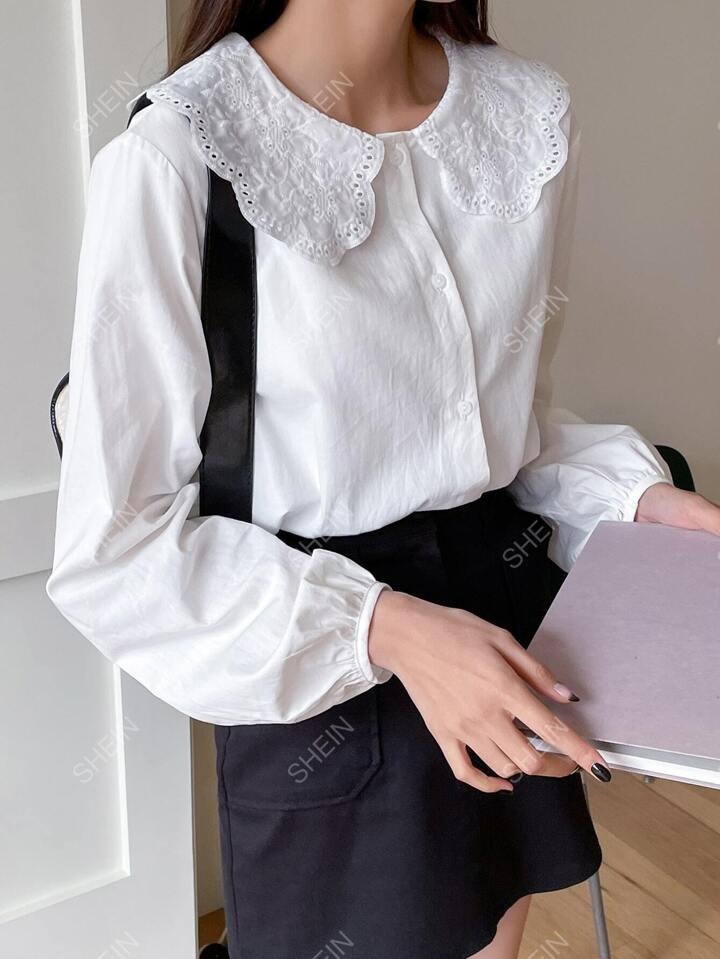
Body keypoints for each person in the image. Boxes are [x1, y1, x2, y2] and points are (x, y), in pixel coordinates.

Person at [46, 2, 720, 956]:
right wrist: (388, 628)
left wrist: (632, 501)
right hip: (315, 670)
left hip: (502, 638)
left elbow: (508, 429)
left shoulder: (524, 117)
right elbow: (118, 549)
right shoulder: (180, 155)